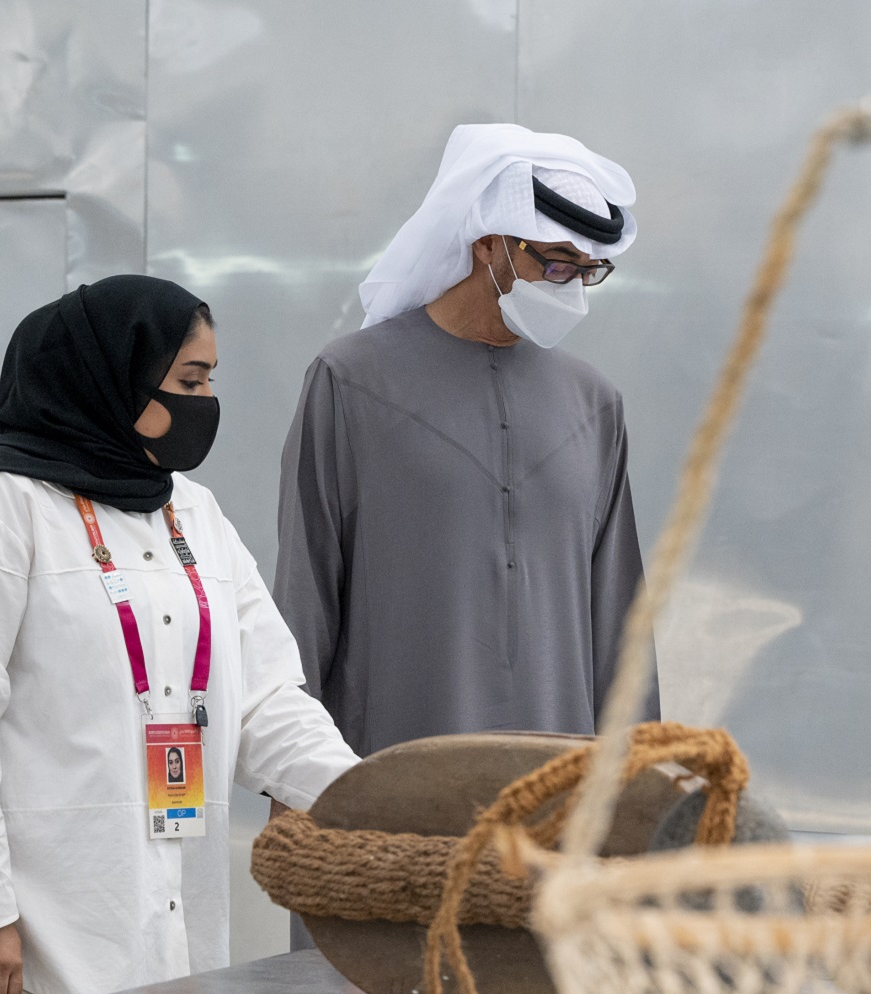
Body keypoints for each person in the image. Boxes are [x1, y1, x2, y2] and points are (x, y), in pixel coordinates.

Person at [0, 275, 358, 994]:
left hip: (175, 926)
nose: (203, 404)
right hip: (38, 939)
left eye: (208, 381)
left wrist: (370, 800)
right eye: (188, 380)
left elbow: (267, 698)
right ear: (113, 377)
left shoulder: (193, 513)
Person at [275, 124, 657, 757]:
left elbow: (619, 613)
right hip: (390, 778)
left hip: (555, 789)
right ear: (488, 243)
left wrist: (637, 779)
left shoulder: (594, 403)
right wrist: (290, 769)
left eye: (587, 271)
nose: (568, 284)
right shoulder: (352, 379)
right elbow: (305, 587)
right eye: (554, 263)